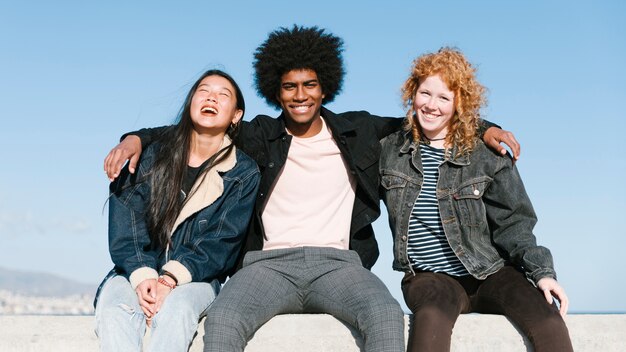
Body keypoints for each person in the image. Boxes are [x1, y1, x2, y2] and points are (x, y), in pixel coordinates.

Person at [103, 26, 519, 352]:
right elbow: (198, 126)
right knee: (225, 319)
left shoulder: (358, 131)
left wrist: (485, 128)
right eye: (289, 86)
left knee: (387, 315)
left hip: (339, 265)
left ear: (325, 87)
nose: (300, 95)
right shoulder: (260, 135)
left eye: (310, 85)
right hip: (267, 266)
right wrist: (136, 138)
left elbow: (424, 119)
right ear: (276, 91)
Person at [379, 47, 573, 352]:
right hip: (430, 279)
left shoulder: (487, 155)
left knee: (548, 321)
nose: (431, 105)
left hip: (490, 272)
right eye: (424, 93)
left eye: (444, 98)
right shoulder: (389, 150)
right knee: (429, 320)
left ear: (460, 104)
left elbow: (515, 223)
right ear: (411, 94)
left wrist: (542, 273)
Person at [94, 69, 260, 352]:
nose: (211, 98)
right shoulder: (148, 156)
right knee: (115, 312)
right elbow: (127, 223)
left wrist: (169, 279)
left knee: (178, 309)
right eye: (203, 91)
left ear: (236, 115)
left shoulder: (243, 173)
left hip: (196, 278)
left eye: (223, 95)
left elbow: (222, 241)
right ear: (191, 102)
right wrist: (144, 274)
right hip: (131, 270)